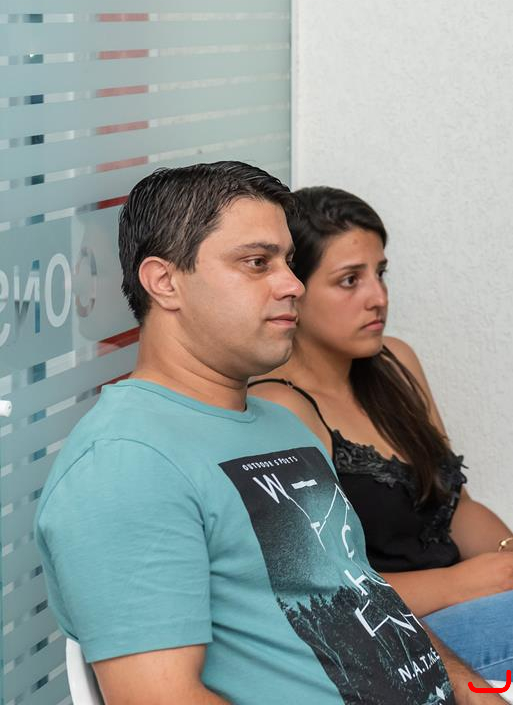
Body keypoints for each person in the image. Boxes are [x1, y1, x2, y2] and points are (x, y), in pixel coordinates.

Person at [35, 163, 499, 705]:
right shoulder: (123, 465)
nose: (293, 285)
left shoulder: (280, 426)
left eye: (288, 263)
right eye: (257, 263)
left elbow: (367, 599)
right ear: (164, 282)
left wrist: (473, 690)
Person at [249, 185, 513, 683]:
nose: (378, 297)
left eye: (380, 273)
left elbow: (455, 507)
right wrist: (463, 583)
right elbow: (327, 596)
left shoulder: (395, 362)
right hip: (386, 640)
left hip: (464, 604)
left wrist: (507, 557)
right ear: (294, 289)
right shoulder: (280, 407)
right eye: (350, 280)